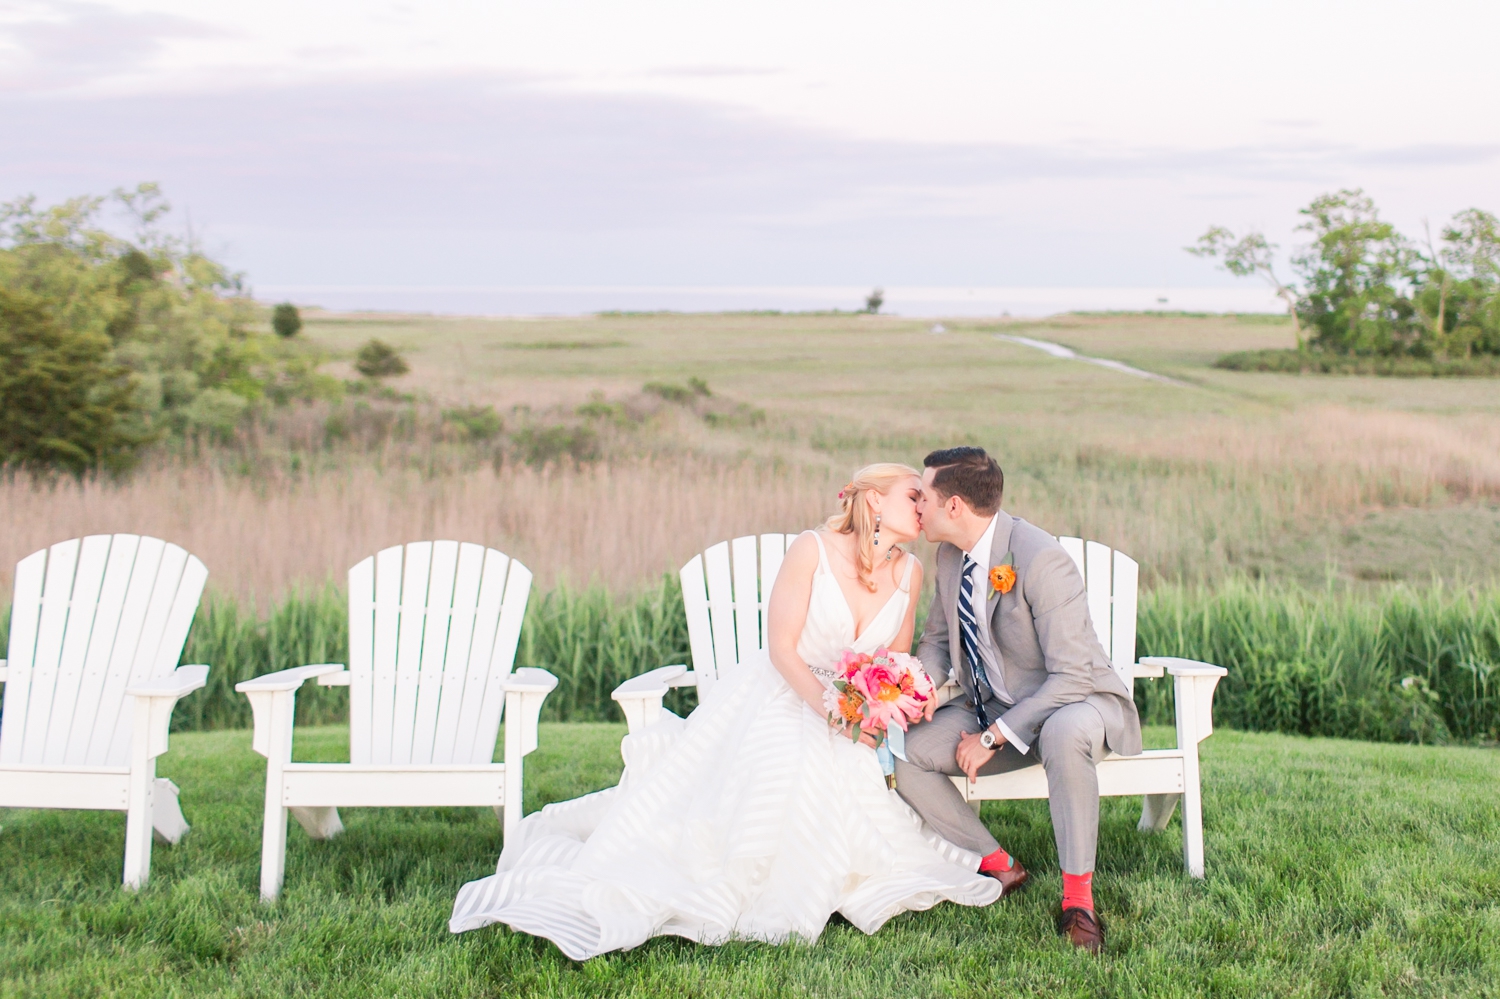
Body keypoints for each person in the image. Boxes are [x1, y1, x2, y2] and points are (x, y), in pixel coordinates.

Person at [449, 463, 1000, 959]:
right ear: (875, 501)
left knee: (859, 810)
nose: (923, 505)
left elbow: (894, 659)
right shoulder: (812, 549)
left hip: (850, 713)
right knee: (772, 773)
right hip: (785, 694)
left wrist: (884, 700)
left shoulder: (910, 572)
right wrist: (830, 709)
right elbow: (782, 647)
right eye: (912, 494)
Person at [896, 446, 1143, 953]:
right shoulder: (948, 556)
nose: (916, 505)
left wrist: (992, 736)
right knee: (909, 751)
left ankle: (1078, 902)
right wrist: (919, 688)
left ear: (956, 506)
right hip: (991, 704)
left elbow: (1072, 675)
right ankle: (1000, 866)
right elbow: (939, 641)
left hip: (1074, 703)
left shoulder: (1041, 559)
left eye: (924, 496)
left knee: (1064, 729)